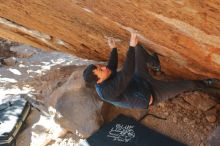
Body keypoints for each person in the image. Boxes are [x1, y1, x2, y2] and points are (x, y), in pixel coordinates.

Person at [83, 32, 219, 109]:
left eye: (100, 67)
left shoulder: (104, 77)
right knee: (187, 85)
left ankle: (155, 65)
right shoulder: (108, 92)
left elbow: (111, 67)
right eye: (101, 70)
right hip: (152, 93)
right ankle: (205, 84)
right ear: (98, 80)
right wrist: (129, 47)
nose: (104, 68)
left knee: (138, 49)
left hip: (138, 79)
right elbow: (126, 73)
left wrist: (113, 49)